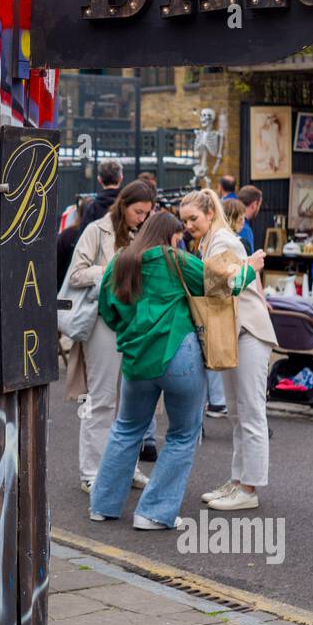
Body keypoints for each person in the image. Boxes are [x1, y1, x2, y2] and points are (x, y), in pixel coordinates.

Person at [88, 212, 264, 530]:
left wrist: (130, 332)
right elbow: (227, 285)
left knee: (126, 429)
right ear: (170, 237)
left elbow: (106, 310)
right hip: (177, 354)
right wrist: (251, 268)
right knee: (183, 434)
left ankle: (102, 505)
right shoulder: (175, 259)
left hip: (136, 358)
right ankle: (153, 513)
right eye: (178, 238)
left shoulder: (120, 261)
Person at [180, 188, 275, 512]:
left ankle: (248, 489)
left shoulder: (223, 241)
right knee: (237, 413)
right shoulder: (212, 240)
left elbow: (227, 285)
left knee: (249, 413)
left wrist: (252, 267)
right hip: (239, 332)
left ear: (210, 213)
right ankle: (238, 481)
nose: (188, 225)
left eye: (193, 218)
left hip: (249, 331)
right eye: (185, 220)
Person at [64, 180, 157, 494]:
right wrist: (112, 269)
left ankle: (125, 467)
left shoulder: (143, 234)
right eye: (138, 211)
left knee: (130, 403)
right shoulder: (96, 231)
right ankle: (91, 472)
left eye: (147, 213)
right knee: (101, 400)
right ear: (124, 205)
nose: (142, 218)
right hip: (103, 321)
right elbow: (76, 274)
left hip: (134, 323)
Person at [78, 160, 123, 232]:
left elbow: (84, 236)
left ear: (99, 179)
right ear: (121, 178)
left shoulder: (92, 207)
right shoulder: (128, 204)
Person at [236, 185, 263, 254]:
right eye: (259, 205)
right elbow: (249, 261)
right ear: (254, 205)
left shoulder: (230, 221)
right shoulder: (245, 229)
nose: (259, 209)